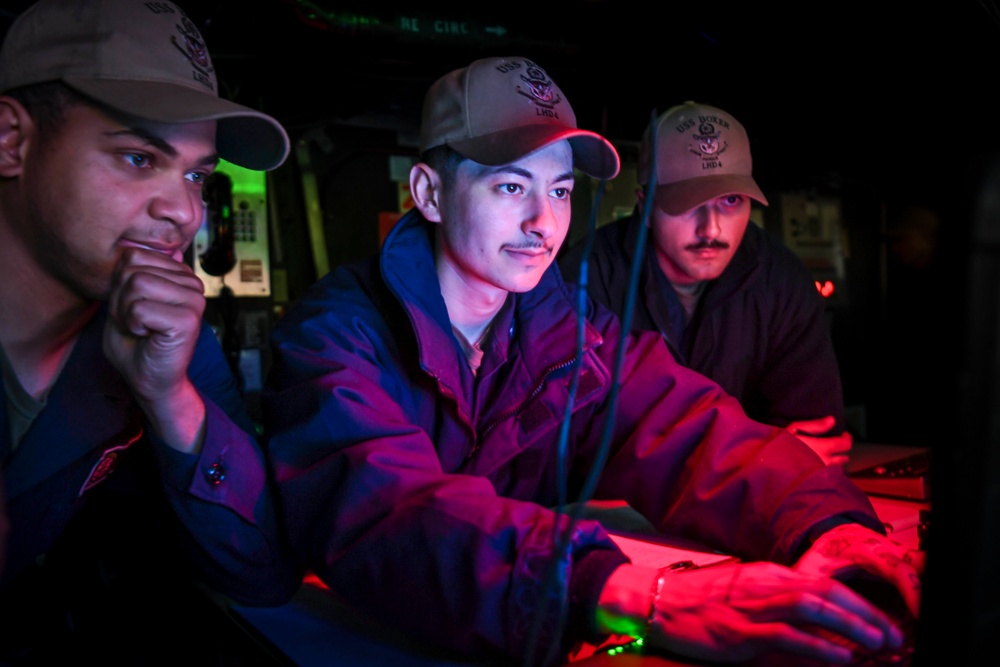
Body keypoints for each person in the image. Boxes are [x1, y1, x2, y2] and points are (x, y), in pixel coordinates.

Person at [263, 57, 921, 666]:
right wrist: (621, 589)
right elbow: (390, 507)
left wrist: (825, 522)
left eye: (560, 190)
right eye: (512, 185)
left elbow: (688, 426)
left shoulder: (568, 334)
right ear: (429, 193)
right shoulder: (335, 335)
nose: (544, 223)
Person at [0, 0, 297, 661]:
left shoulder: (172, 343)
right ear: (11, 141)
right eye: (139, 158)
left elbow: (260, 572)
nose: (184, 211)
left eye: (198, 175)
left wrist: (171, 400)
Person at [561, 102, 853, 466]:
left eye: (731, 201)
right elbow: (576, 449)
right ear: (645, 206)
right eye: (688, 202)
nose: (711, 229)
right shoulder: (587, 276)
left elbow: (815, 440)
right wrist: (749, 457)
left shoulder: (781, 279)